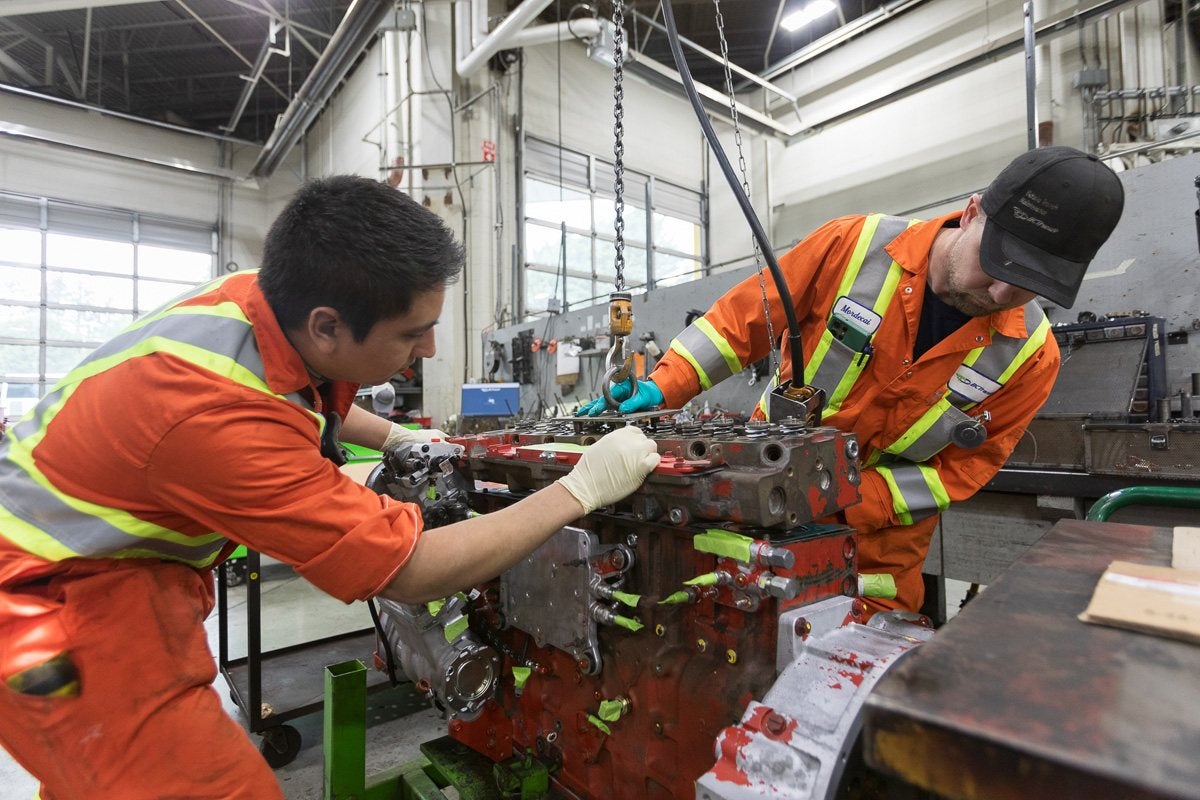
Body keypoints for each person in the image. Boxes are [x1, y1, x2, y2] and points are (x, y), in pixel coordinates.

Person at [0, 175, 660, 799]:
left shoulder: (253, 302)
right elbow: (408, 569)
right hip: (50, 606)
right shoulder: (214, 417)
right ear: (326, 324)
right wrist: (580, 489)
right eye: (412, 333)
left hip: (111, 566)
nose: (430, 349)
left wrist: (396, 436)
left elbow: (308, 393)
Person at [580, 146, 1124, 615]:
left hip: (878, 556)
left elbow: (961, 470)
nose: (1004, 295)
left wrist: (846, 498)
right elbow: (740, 325)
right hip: (759, 506)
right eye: (1001, 263)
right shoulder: (853, 247)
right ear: (972, 211)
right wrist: (662, 385)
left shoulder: (1031, 357)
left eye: (1030, 284)